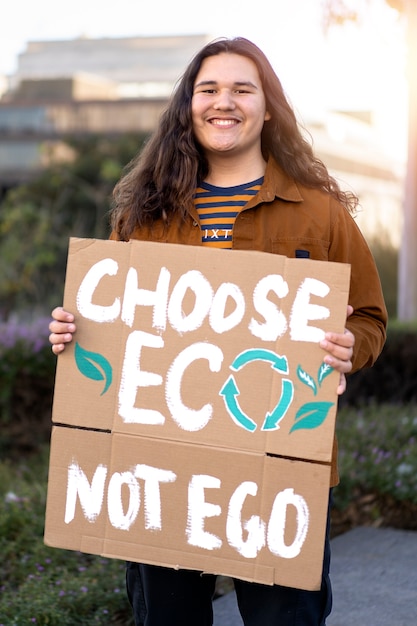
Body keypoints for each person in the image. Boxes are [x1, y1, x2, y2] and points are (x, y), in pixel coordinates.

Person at [49, 37, 387, 626]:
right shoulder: (143, 215)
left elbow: (369, 316)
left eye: (241, 89)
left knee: (285, 619)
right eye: (208, 89)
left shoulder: (320, 210)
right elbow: (114, 323)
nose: (222, 101)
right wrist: (75, 331)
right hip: (159, 467)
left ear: (267, 107)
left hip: (281, 467)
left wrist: (348, 347)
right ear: (187, 106)